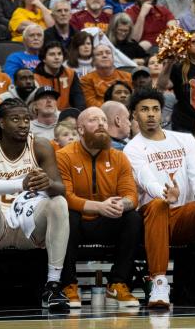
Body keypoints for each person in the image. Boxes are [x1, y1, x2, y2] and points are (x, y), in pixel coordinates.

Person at [123, 88, 195, 308]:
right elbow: (145, 178)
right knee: (158, 204)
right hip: (152, 218)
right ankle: (159, 283)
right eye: (144, 110)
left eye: (155, 109)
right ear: (134, 115)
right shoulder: (132, 148)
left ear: (162, 113)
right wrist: (163, 193)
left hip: (183, 218)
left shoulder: (184, 140)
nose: (151, 114)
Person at [0, 98, 71, 311]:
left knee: (58, 202)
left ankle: (53, 285)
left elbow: (61, 189)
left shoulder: (40, 145)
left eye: (26, 119)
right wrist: (19, 184)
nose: (23, 124)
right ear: (2, 123)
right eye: (15, 119)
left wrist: (48, 183)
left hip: (30, 226)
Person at [57, 107, 142, 307]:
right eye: (94, 120)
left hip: (107, 222)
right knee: (64, 213)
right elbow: (65, 196)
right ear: (80, 129)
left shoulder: (119, 157)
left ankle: (117, 284)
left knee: (133, 218)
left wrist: (121, 204)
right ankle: (68, 285)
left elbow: (132, 196)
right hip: (77, 224)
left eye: (104, 120)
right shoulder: (64, 156)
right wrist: (99, 207)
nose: (102, 123)